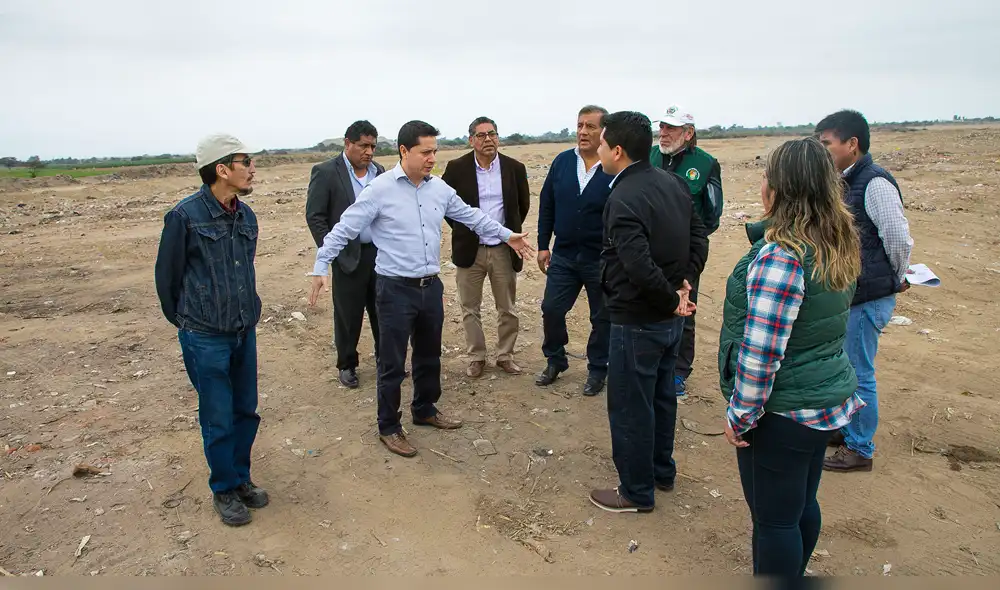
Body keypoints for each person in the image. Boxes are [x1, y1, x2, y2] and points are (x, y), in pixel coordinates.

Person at [307, 120, 535, 458]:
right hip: (394, 288)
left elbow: (472, 216)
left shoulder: (438, 189)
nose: (432, 158)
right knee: (393, 362)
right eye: (425, 152)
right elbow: (344, 228)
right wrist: (321, 265)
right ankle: (389, 426)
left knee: (429, 355)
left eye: (434, 151)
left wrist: (507, 235)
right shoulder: (380, 189)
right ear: (404, 151)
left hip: (430, 286)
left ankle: (425, 409)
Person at [719, 137, 865, 576]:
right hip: (822, 401)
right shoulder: (835, 241)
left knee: (775, 520)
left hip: (782, 412)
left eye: (767, 177)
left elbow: (761, 353)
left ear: (778, 190)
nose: (761, 184)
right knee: (801, 503)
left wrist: (741, 414)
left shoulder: (781, 256)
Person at [588, 111, 708, 513]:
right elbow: (698, 238)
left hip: (638, 320)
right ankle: (661, 471)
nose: (598, 151)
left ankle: (636, 491)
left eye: (601, 144)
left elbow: (636, 264)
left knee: (630, 407)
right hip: (669, 317)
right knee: (660, 399)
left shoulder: (623, 196)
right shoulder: (670, 182)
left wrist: (673, 296)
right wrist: (684, 285)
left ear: (617, 150)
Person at [154, 134, 268, 527]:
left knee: (245, 411)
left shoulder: (246, 215)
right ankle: (223, 488)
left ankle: (241, 479)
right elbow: (166, 280)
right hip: (205, 337)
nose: (253, 167)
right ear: (222, 169)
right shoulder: (185, 217)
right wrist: (189, 322)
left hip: (242, 330)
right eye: (245, 161)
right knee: (218, 416)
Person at [816, 110, 913, 473]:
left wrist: (895, 277)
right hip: (850, 295)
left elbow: (898, 237)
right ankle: (845, 429)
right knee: (844, 367)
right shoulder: (843, 181)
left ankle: (860, 447)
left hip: (868, 296)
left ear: (851, 144)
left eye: (827, 143)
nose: (823, 150)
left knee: (859, 372)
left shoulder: (875, 183)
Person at [442, 116, 531, 378]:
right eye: (481, 135)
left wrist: (508, 234)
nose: (488, 139)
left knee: (507, 307)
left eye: (492, 134)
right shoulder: (456, 168)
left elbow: (521, 206)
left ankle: (505, 355)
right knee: (470, 308)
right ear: (471, 140)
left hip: (503, 249)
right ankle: (476, 357)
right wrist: (463, 230)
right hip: (470, 249)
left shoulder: (514, 167)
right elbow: (448, 207)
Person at [536, 105, 614, 396]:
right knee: (551, 309)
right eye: (580, 125)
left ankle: (598, 370)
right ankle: (555, 360)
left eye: (591, 126)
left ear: (603, 131)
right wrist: (544, 245)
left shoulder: (612, 166)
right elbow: (547, 204)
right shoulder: (563, 162)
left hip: (601, 259)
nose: (583, 132)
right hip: (565, 255)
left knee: (601, 317)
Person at [649, 105, 724, 397]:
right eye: (662, 127)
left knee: (684, 311)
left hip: (684, 255)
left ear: (688, 133)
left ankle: (679, 371)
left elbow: (713, 213)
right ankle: (654, 362)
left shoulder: (706, 164)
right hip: (650, 250)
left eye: (670, 128)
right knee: (652, 305)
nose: (663, 133)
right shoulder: (651, 157)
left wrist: (691, 246)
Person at [305, 120, 386, 389]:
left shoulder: (380, 173)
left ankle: (386, 359)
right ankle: (347, 365)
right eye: (364, 145)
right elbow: (315, 216)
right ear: (347, 143)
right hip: (347, 256)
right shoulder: (326, 172)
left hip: (380, 254)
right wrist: (332, 251)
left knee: (383, 310)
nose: (369, 151)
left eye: (373, 146)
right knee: (348, 315)